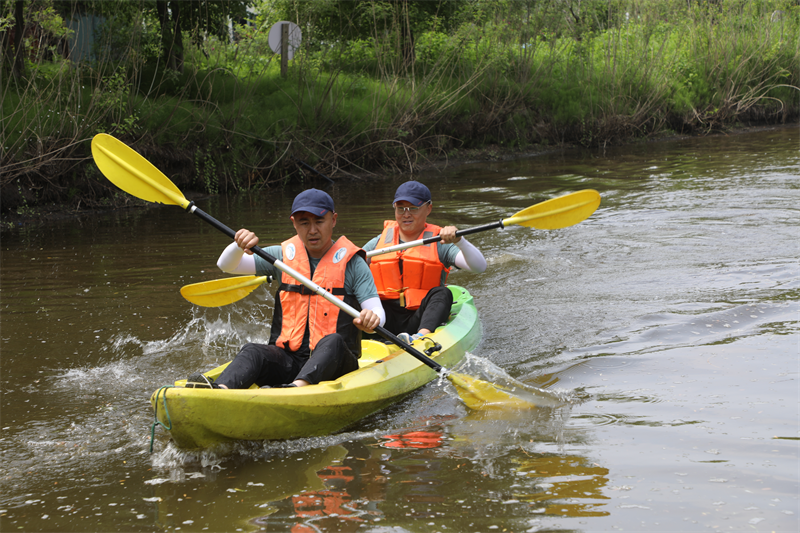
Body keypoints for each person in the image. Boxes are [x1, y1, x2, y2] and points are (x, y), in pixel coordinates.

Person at [187, 189, 385, 389]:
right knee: (253, 350)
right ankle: (220, 390)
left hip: (337, 363)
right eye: (304, 223)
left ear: (333, 220)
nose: (312, 230)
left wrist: (371, 319)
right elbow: (227, 265)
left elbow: (378, 312)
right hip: (291, 360)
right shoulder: (282, 257)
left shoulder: (353, 263)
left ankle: (297, 388)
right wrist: (239, 245)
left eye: (319, 221)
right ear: (294, 223)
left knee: (333, 341)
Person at [363, 181, 486, 343]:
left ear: (428, 209)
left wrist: (459, 241)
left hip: (420, 318)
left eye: (413, 208)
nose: (406, 214)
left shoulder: (438, 242)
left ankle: (421, 338)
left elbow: (479, 267)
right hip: (385, 319)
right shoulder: (379, 242)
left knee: (443, 293)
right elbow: (351, 266)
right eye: (401, 208)